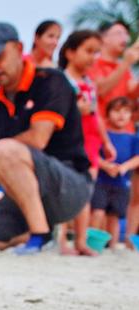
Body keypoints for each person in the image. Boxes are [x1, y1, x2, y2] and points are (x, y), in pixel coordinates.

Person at [0, 23, 92, 255]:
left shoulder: (51, 81)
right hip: (21, 197)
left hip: (70, 185)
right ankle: (25, 237)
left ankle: (39, 235)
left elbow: (38, 139)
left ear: (18, 48)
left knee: (4, 149)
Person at [57, 30, 116, 255]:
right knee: (62, 189)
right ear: (71, 52)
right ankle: (60, 238)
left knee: (86, 190)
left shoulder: (89, 82)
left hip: (90, 143)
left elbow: (96, 115)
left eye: (96, 52)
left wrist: (106, 141)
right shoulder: (61, 79)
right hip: (68, 141)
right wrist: (75, 109)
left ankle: (81, 240)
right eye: (88, 51)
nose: (93, 57)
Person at [88, 21, 139, 248]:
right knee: (98, 199)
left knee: (130, 193)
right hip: (102, 135)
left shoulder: (125, 68)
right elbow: (101, 89)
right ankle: (94, 239)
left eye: (126, 34)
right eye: (118, 33)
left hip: (128, 136)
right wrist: (126, 62)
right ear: (104, 38)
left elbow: (131, 95)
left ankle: (127, 239)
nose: (124, 38)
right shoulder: (95, 64)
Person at [91, 97, 139, 248]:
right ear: (107, 114)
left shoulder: (133, 138)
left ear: (132, 116)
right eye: (117, 111)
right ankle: (93, 242)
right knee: (97, 212)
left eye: (126, 112)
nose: (121, 115)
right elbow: (92, 154)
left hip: (122, 184)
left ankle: (112, 247)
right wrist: (105, 165)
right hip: (101, 182)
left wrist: (124, 167)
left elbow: (137, 158)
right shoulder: (103, 136)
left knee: (115, 217)